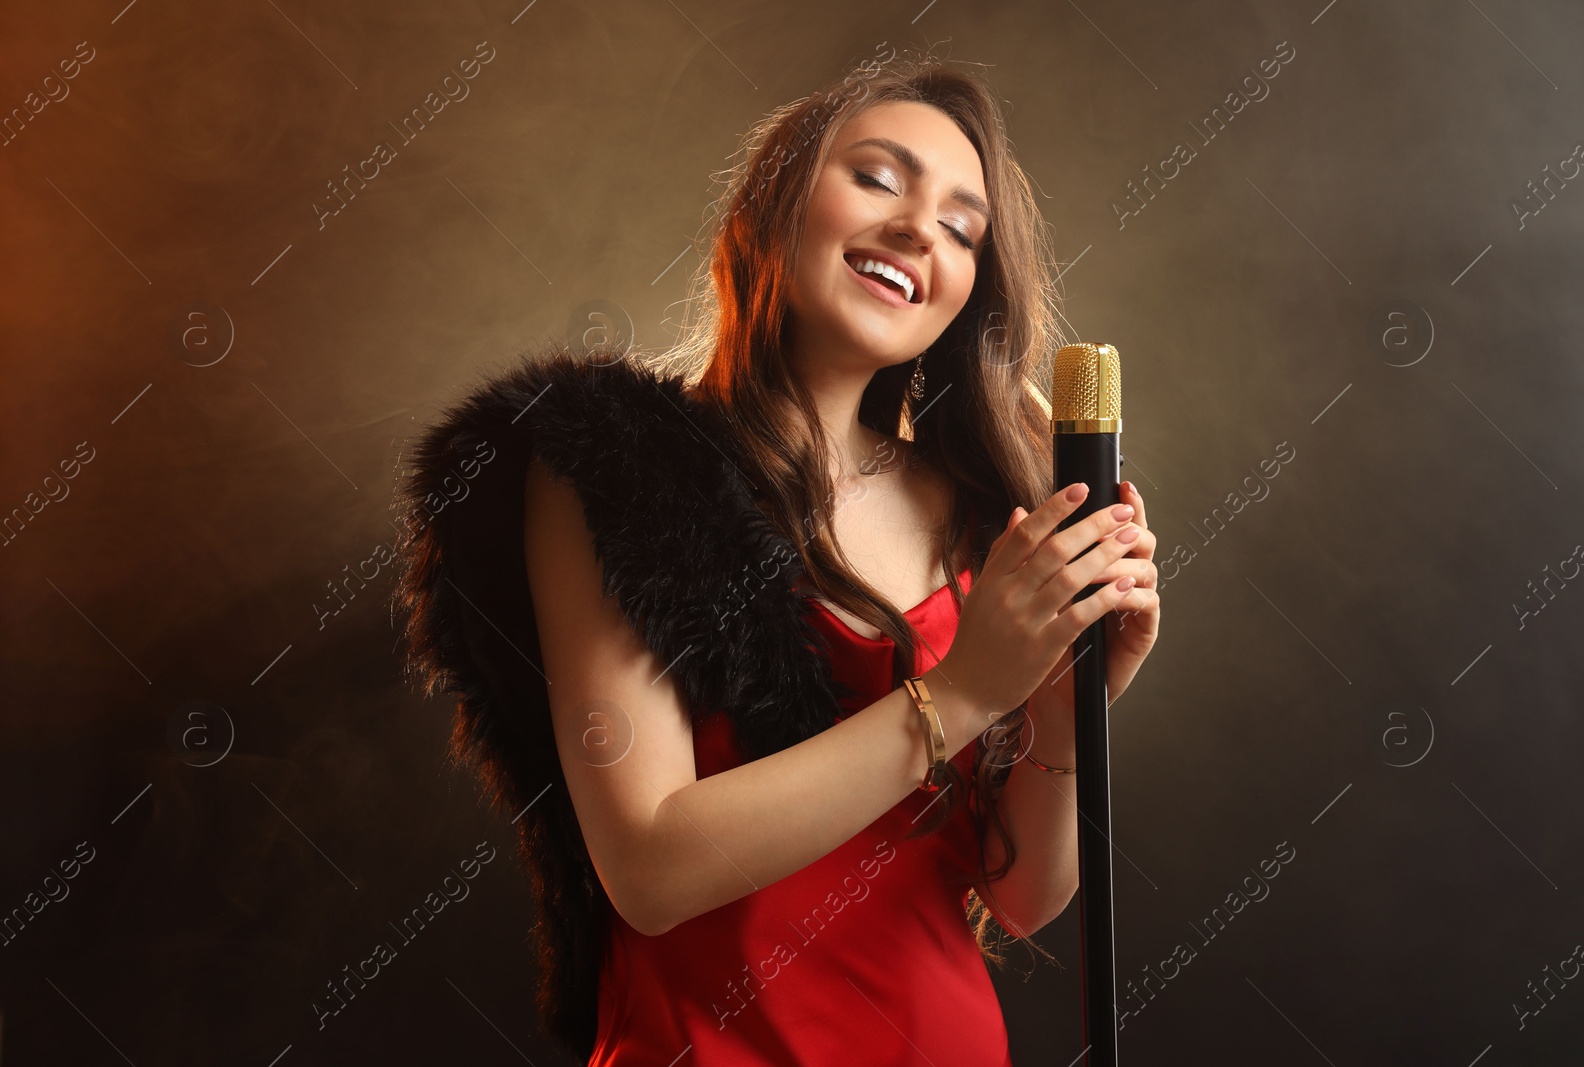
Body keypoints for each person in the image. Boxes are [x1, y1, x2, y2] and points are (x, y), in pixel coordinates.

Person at [391, 48, 1160, 1066]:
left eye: (962, 227)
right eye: (878, 176)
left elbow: (1018, 899)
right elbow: (651, 867)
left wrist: (1064, 714)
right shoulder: (610, 469)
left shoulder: (982, 517)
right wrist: (968, 690)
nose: (918, 226)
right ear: (772, 201)